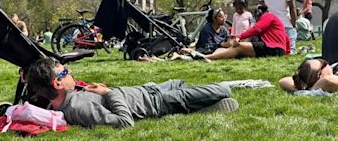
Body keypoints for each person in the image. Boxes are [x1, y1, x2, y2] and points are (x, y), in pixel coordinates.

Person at [27, 57, 239, 128]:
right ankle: (196, 109)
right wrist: (108, 92)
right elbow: (124, 122)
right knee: (223, 89)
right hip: (156, 102)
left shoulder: (66, 100)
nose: (71, 72)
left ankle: (196, 108)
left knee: (180, 81)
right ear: (57, 84)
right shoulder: (78, 107)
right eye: (65, 72)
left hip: (148, 90)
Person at [184, 5, 290, 62]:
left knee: (239, 47)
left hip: (272, 47)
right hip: (277, 49)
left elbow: (257, 29)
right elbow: (286, 38)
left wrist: (240, 36)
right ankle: (203, 55)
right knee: (240, 50)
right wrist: (287, 52)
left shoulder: (267, 16)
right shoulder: (207, 29)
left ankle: (208, 58)